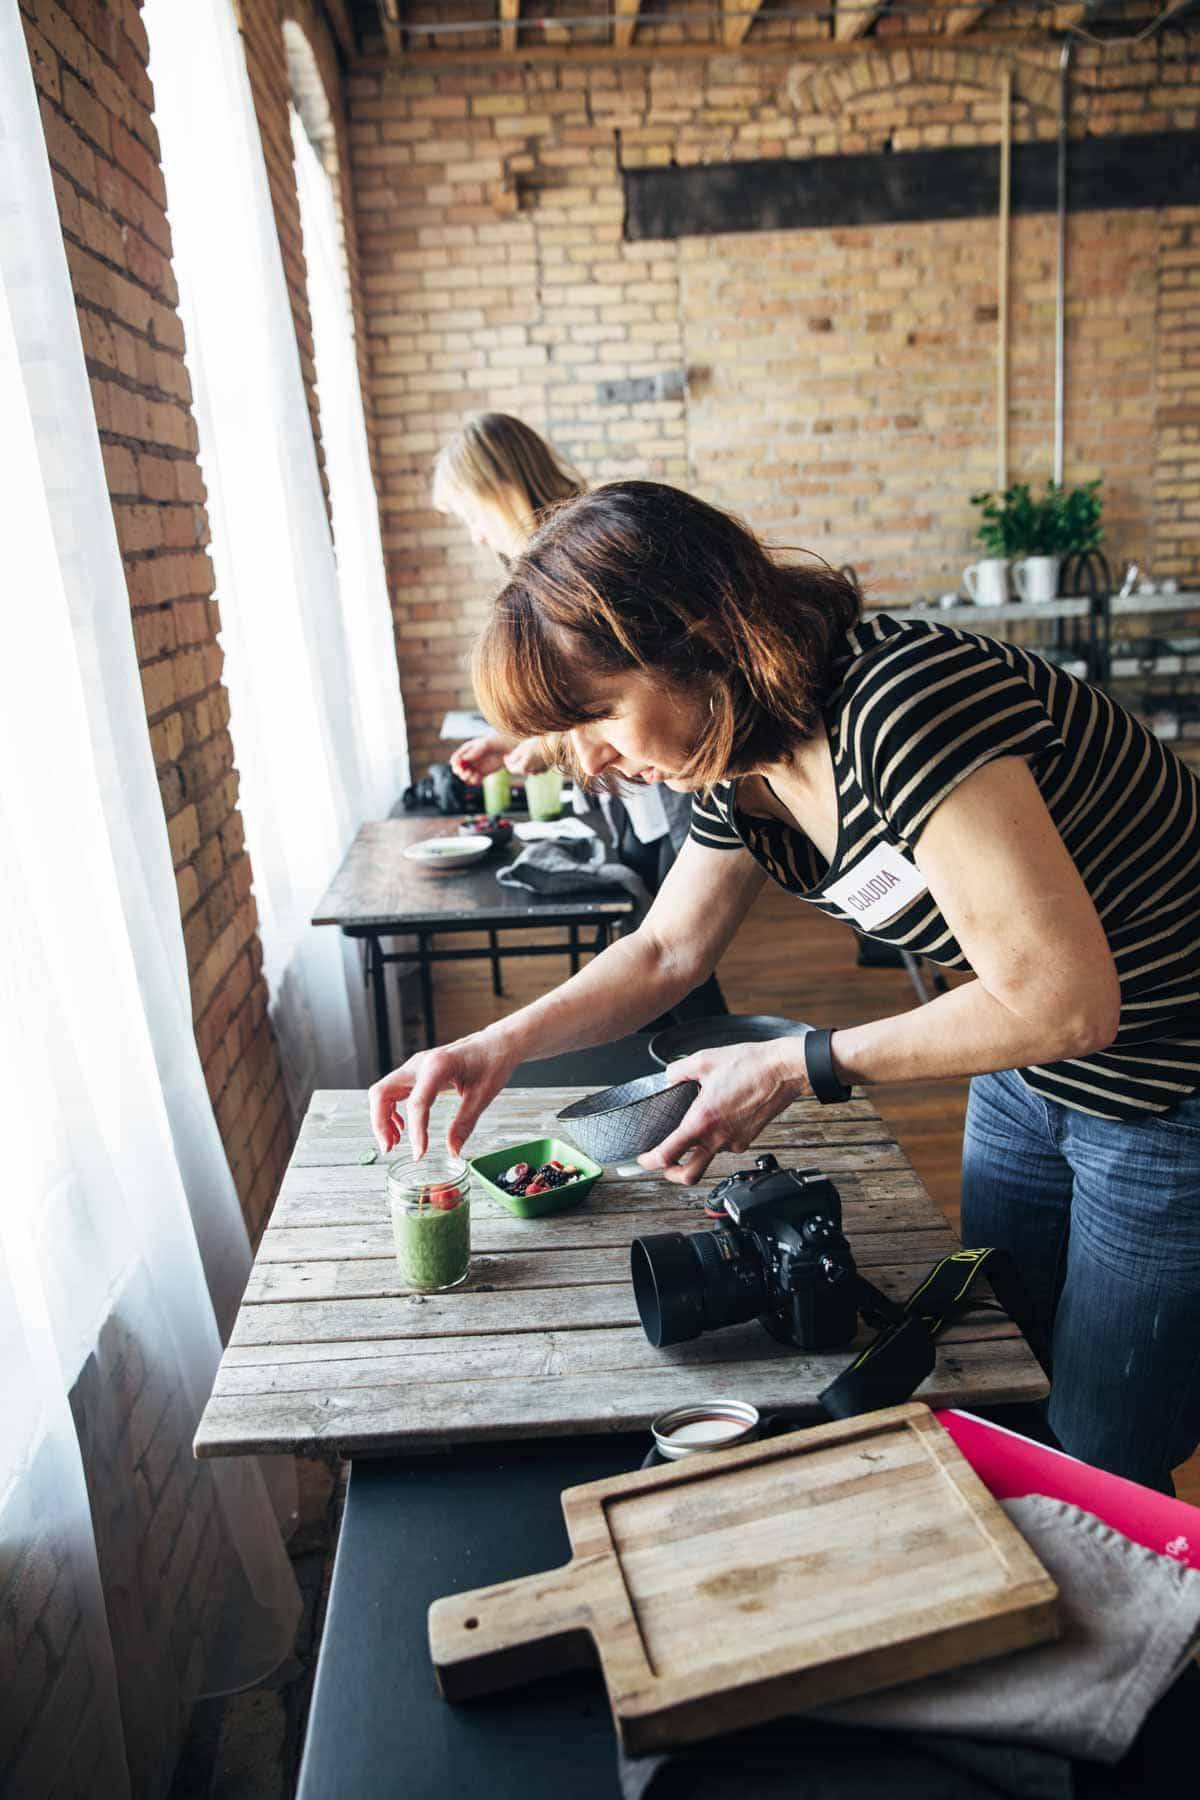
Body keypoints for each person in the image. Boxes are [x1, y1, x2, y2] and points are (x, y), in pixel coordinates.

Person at [370, 479, 1200, 1493]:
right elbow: (667, 953)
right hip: (1029, 1074)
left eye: (599, 715)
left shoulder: (902, 706)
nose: (590, 758)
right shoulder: (740, 760)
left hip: (1170, 1085)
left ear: (696, 636)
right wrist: (497, 1044)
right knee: (996, 1363)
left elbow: (1065, 1000)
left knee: (1106, 1448)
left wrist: (797, 1067)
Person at [432, 415, 722, 1011]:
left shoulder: (579, 561)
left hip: (665, 789)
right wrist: (512, 738)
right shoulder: (548, 565)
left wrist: (540, 746)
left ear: (498, 488)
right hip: (639, 799)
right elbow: (581, 702)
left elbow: (620, 685)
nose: (476, 537)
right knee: (659, 951)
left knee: (671, 960)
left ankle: (689, 1063)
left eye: (470, 515)